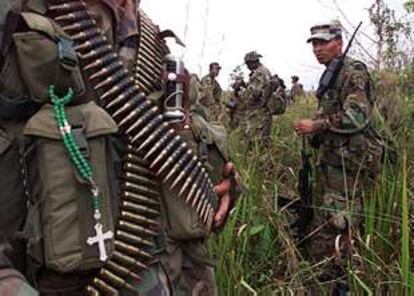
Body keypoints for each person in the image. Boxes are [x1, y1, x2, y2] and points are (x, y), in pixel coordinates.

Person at [0, 0, 240, 295]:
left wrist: (219, 183)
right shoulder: (13, 18)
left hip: (182, 279)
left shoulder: (153, 40)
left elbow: (195, 137)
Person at [293, 20, 382, 294]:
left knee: (338, 224)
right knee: (333, 221)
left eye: (323, 42)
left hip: (350, 165)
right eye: (314, 44)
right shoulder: (332, 73)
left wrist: (316, 125)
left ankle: (339, 282)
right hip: (334, 163)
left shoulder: (352, 71)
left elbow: (357, 117)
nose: (317, 49)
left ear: (339, 43)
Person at [242, 51, 273, 147]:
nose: (247, 66)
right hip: (264, 111)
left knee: (255, 142)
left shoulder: (259, 73)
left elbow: (254, 94)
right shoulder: (265, 71)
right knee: (263, 140)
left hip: (258, 113)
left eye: (248, 64)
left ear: (253, 62)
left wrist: (241, 92)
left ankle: (257, 161)